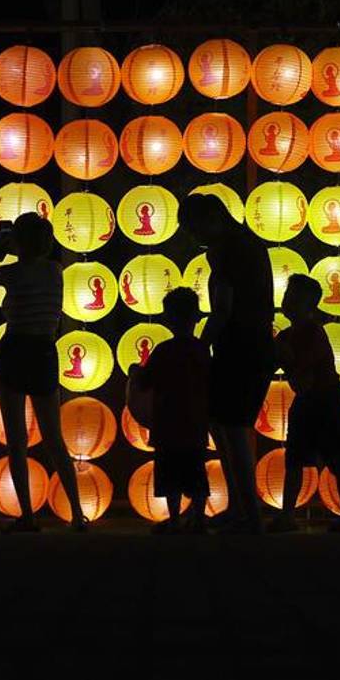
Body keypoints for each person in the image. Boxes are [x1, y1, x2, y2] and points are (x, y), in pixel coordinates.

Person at [0, 212, 87, 532]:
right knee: (54, 437)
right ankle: (77, 513)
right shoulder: (55, 271)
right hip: (44, 352)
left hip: (14, 349)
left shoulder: (11, 273)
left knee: (17, 440)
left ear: (17, 243)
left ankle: (28, 516)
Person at [178, 194, 272, 534]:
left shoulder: (229, 250)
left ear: (214, 218)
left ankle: (249, 514)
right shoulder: (249, 245)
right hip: (251, 344)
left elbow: (223, 308)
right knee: (225, 426)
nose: (196, 239)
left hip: (240, 346)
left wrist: (199, 345)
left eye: (196, 230)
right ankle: (241, 509)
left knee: (231, 429)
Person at [270, 274, 340, 533]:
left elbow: (303, 376)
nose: (288, 302)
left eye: (295, 298)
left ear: (309, 305)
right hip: (307, 401)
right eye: (288, 297)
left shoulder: (313, 333)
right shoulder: (285, 336)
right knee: (294, 458)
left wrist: (286, 358)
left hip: (327, 399)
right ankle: (288, 514)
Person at [128, 287, 211, 534]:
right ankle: (198, 519)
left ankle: (174, 520)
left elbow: (145, 382)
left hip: (167, 425)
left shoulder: (164, 351)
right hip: (195, 425)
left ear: (167, 318)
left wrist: (135, 372)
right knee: (196, 474)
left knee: (170, 476)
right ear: (196, 317)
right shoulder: (201, 351)